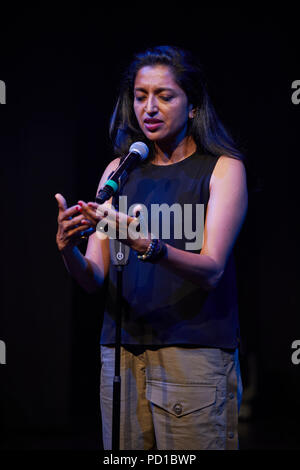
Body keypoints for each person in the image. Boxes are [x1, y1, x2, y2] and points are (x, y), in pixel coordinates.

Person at [55, 45, 248, 450]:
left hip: (192, 353)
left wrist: (144, 243)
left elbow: (212, 268)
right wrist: (68, 249)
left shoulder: (222, 169)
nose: (149, 108)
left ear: (192, 105)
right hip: (122, 353)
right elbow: (93, 277)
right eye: (141, 96)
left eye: (165, 95)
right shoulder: (118, 172)